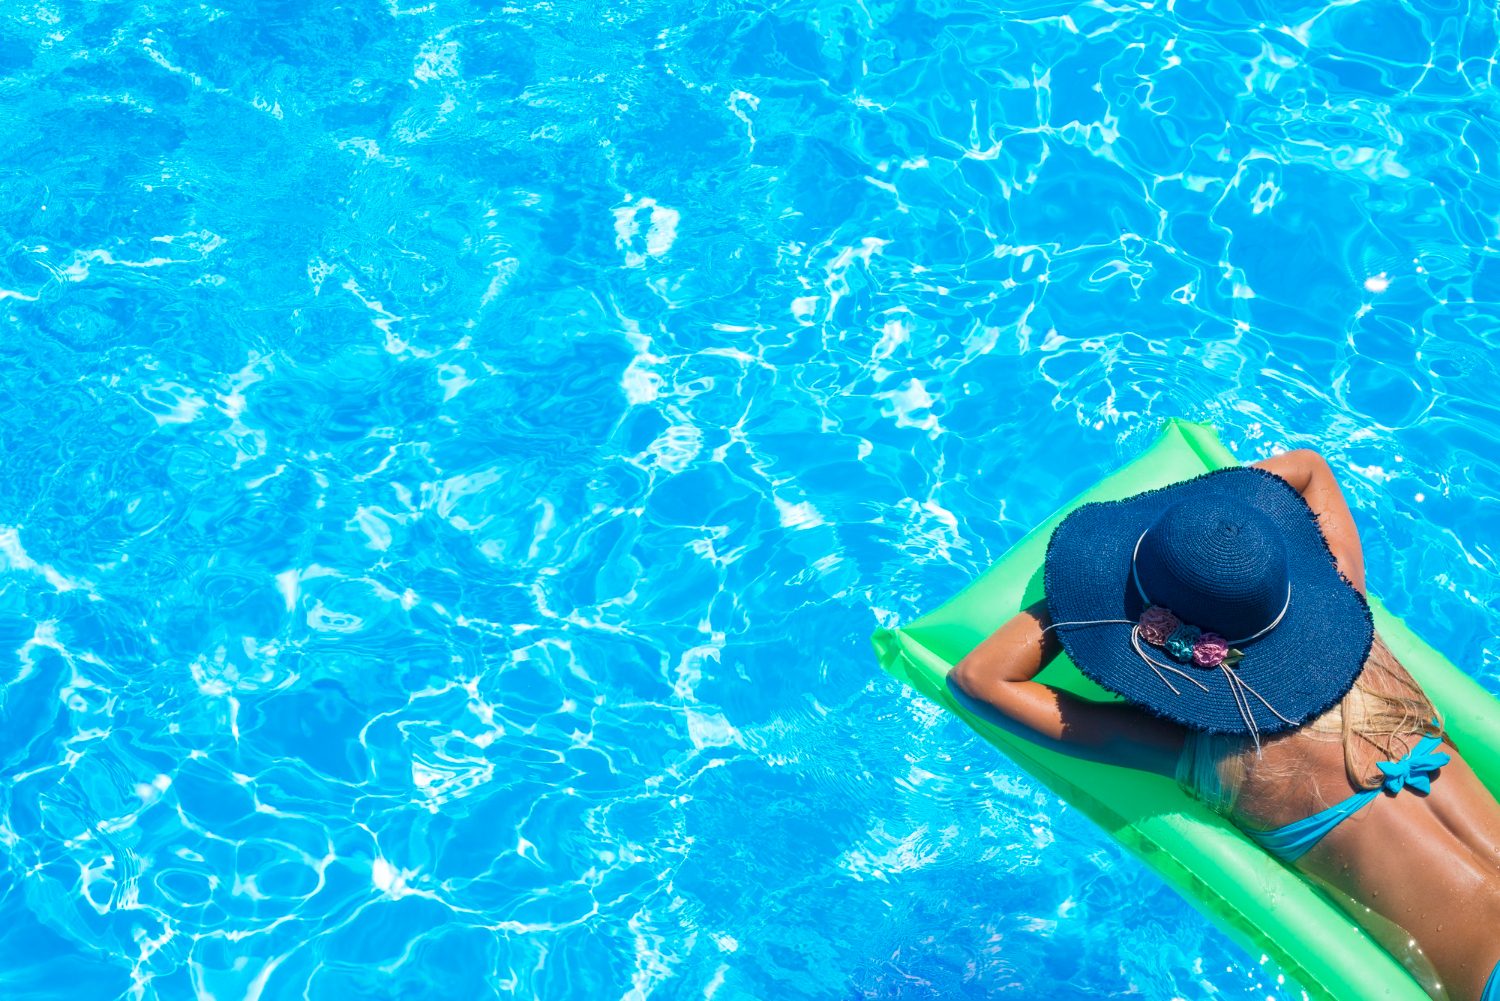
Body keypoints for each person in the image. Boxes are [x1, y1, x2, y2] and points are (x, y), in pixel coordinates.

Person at [947, 449, 1500, 1001]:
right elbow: (1307, 468)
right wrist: (1224, 550)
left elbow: (978, 680)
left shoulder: (1205, 750)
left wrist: (1094, 588)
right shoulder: (1355, 623)